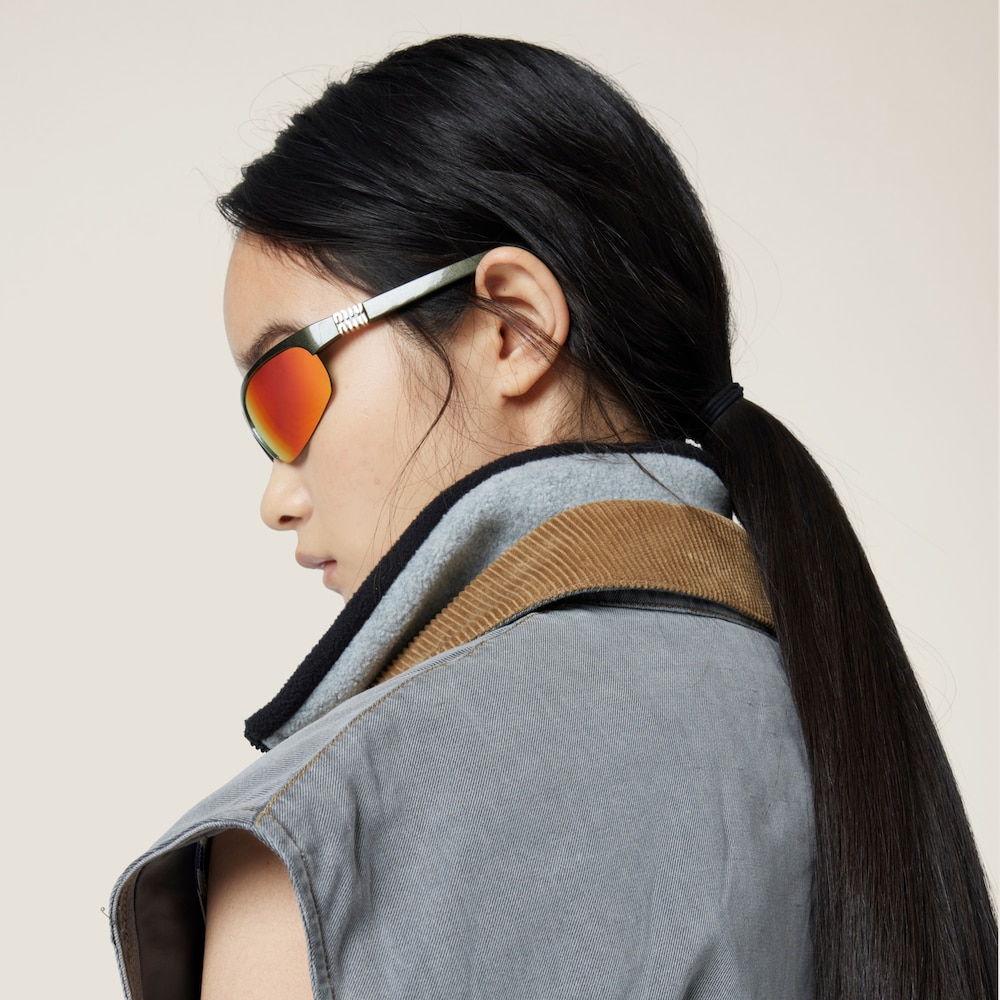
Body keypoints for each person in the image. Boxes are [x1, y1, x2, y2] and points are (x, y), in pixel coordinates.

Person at [108, 35, 996, 1000]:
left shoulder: (318, 840)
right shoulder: (851, 729)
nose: (278, 496)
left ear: (512, 328)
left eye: (283, 389)